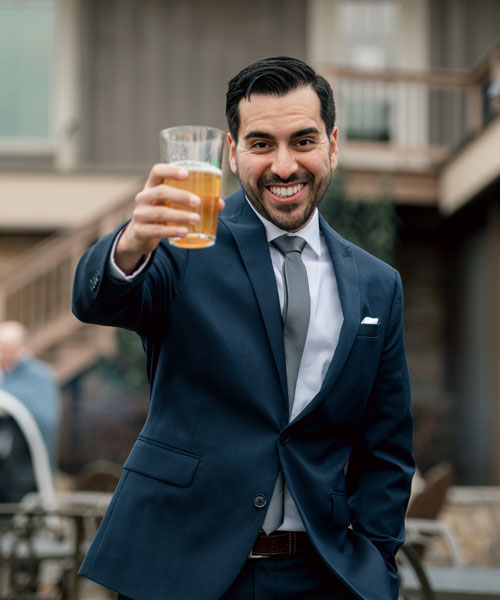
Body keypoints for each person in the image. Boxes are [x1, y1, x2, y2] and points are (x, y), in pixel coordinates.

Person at [72, 56, 414, 600]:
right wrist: (132, 243)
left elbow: (387, 448)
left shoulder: (379, 285)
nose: (283, 166)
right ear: (231, 153)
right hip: (180, 570)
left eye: (303, 141)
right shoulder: (183, 244)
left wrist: (374, 562)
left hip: (323, 576)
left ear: (333, 145)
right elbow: (103, 300)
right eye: (261, 144)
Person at [0, 320, 61, 500]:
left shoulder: (40, 376)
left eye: (6, 348)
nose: (2, 353)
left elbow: (45, 418)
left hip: (24, 463)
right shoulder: (4, 374)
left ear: (20, 348)